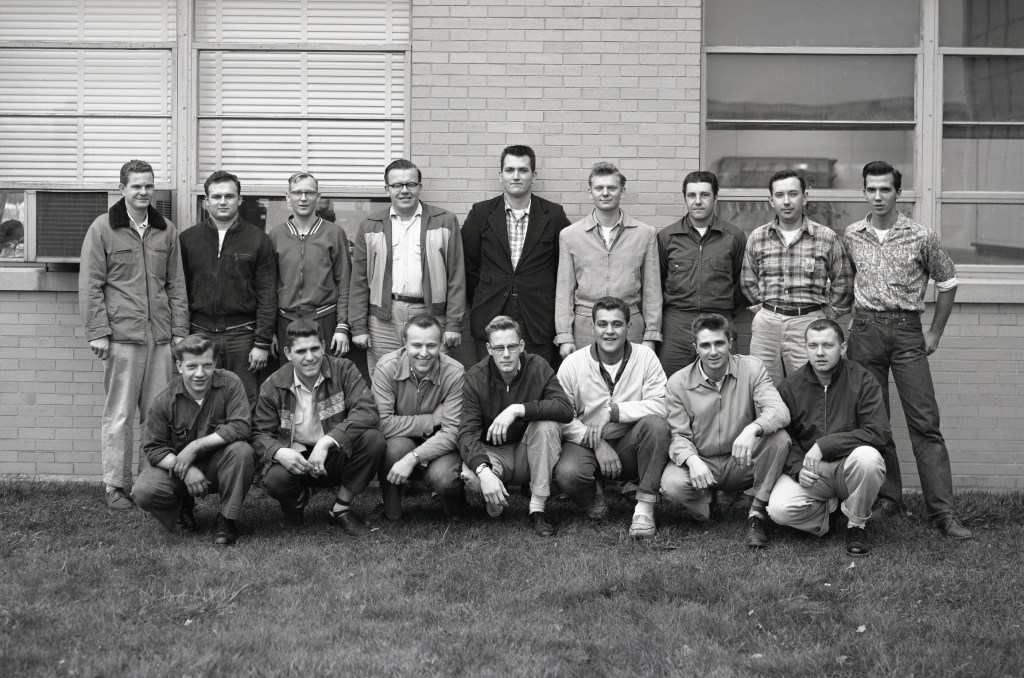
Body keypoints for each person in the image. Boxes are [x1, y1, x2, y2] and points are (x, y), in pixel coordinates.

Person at [843, 160, 972, 538]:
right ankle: (887, 496)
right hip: (865, 331)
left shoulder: (920, 235)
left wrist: (935, 333)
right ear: (864, 191)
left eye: (885, 189)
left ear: (898, 192)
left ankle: (943, 512)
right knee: (872, 420)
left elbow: (948, 282)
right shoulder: (853, 234)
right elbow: (849, 281)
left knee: (924, 422)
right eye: (871, 189)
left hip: (906, 332)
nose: (878, 196)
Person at [79, 159, 189, 510]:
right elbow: (91, 284)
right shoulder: (102, 228)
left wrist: (179, 332)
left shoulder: (166, 230)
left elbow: (176, 285)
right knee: (120, 415)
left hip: (160, 339)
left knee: (156, 415)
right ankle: (115, 485)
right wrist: (98, 331)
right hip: (122, 337)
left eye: (148, 186)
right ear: (122, 188)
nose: (143, 192)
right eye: (136, 186)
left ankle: (148, 483)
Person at [659, 313, 790, 548]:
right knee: (672, 484)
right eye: (705, 345)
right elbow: (678, 435)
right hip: (703, 462)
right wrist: (691, 460)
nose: (713, 351)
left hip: (742, 460)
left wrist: (753, 428)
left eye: (719, 343)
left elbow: (779, 410)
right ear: (695, 348)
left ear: (730, 343)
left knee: (779, 439)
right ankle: (706, 507)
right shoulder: (678, 382)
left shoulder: (752, 368)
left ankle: (756, 513)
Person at [252, 319, 385, 536]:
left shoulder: (343, 369)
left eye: (315, 348)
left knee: (373, 440)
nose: (310, 357)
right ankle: (294, 507)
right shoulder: (273, 385)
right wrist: (279, 452)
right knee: (275, 478)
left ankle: (340, 509)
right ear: (288, 352)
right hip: (298, 459)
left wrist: (327, 441)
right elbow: (258, 434)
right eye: (301, 351)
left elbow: (367, 410)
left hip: (335, 453)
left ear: (323, 346)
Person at [767, 319, 888, 556]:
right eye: (813, 346)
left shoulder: (861, 380)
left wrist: (825, 444)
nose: (820, 353)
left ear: (842, 348)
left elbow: (878, 432)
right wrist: (796, 469)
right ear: (806, 348)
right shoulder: (790, 387)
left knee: (869, 459)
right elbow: (785, 438)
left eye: (827, 345)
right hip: (813, 472)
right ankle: (829, 513)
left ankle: (856, 525)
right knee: (779, 510)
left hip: (848, 469)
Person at [553, 297, 671, 538]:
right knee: (567, 473)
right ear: (592, 327)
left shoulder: (646, 358)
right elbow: (562, 416)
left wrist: (613, 412)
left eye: (617, 324)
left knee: (657, 426)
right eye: (602, 324)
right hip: (587, 445)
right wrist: (596, 442)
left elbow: (661, 405)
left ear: (628, 327)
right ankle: (591, 498)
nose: (609, 331)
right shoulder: (573, 364)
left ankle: (644, 509)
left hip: (631, 444)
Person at [132, 335, 257, 545]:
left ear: (215, 363)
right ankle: (181, 508)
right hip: (178, 470)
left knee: (242, 451)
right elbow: (153, 449)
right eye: (192, 366)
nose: (200, 374)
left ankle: (227, 520)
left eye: (207, 365)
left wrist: (196, 445)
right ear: (179, 366)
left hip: (220, 465)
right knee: (143, 490)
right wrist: (185, 469)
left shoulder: (230, 384)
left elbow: (242, 426)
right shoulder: (163, 400)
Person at [457, 315, 573, 536]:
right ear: (489, 349)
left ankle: (537, 509)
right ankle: (494, 502)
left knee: (547, 425)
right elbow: (466, 433)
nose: (507, 354)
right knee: (472, 477)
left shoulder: (538, 367)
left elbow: (565, 409)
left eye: (512, 346)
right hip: (493, 452)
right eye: (499, 348)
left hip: (528, 451)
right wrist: (484, 471)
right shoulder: (476, 377)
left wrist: (518, 409)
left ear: (521, 345)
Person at [350, 159, 466, 373]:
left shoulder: (445, 221)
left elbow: (457, 277)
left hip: (431, 314)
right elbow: (358, 280)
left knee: (431, 378)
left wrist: (453, 324)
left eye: (411, 184)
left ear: (419, 187)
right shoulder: (370, 225)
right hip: (383, 318)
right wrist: (358, 326)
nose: (404, 190)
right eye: (397, 185)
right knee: (384, 377)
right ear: (387, 189)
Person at [740, 169, 854, 386]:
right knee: (762, 386)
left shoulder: (825, 237)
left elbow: (843, 283)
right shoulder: (758, 237)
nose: (786, 201)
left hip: (808, 322)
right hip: (767, 325)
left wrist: (821, 316)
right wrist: (766, 309)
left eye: (793, 194)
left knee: (811, 386)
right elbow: (747, 280)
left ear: (805, 197)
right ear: (771, 200)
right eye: (780, 195)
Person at [462, 145, 571, 365]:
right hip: (491, 310)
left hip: (538, 316)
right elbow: (467, 264)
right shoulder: (481, 213)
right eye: (510, 170)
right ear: (500, 175)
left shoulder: (554, 215)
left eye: (523, 170)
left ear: (534, 175)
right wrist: (484, 294)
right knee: (491, 380)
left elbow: (564, 266)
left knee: (537, 379)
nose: (516, 176)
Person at [179, 170, 276, 408]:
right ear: (206, 201)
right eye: (217, 196)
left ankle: (240, 447)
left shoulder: (258, 240)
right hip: (199, 332)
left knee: (244, 402)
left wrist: (262, 343)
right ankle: (202, 446)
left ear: (240, 200)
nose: (223, 202)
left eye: (229, 196)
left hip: (242, 336)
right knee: (198, 402)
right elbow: (178, 291)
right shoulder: (188, 240)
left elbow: (267, 294)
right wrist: (180, 334)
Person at [554, 162, 661, 358]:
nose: (605, 193)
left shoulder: (645, 234)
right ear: (590, 192)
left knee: (630, 382)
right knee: (586, 383)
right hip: (585, 324)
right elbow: (564, 291)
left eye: (612, 188)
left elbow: (652, 291)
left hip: (630, 322)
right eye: (599, 188)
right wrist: (565, 336)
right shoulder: (570, 235)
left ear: (622, 191)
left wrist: (651, 335)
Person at [372, 314, 467, 521]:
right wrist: (430, 420)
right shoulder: (386, 367)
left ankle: (455, 505)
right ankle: (391, 509)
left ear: (441, 344)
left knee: (443, 477)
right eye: (416, 345)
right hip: (401, 438)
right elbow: (382, 423)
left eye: (431, 346)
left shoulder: (455, 373)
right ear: (404, 343)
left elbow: (451, 433)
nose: (424, 353)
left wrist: (413, 458)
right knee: (392, 449)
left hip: (439, 441)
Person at [656, 171, 747, 378]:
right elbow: (657, 283)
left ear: (715, 197)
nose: (698, 201)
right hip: (676, 325)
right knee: (671, 386)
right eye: (692, 195)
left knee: (725, 384)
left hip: (719, 321)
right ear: (685, 198)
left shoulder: (733, 237)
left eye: (704, 195)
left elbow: (741, 284)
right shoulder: (667, 237)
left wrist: (724, 312)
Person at [267, 171, 351, 362]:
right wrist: (269, 330)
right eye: (297, 193)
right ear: (288, 197)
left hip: (323, 318)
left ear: (318, 197)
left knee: (326, 380)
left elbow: (345, 282)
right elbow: (268, 287)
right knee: (289, 382)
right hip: (285, 321)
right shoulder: (276, 235)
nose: (303, 198)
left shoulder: (334, 233)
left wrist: (342, 326)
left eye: (309, 193)